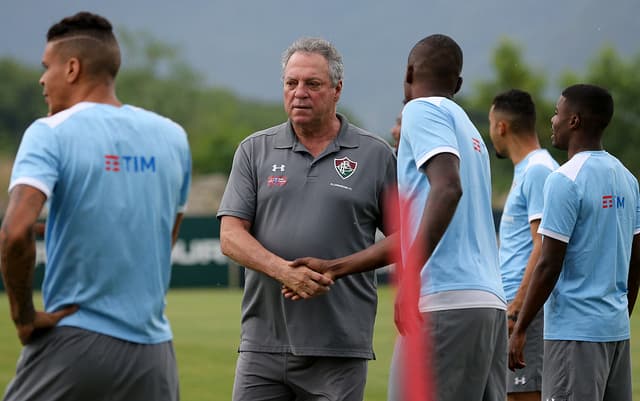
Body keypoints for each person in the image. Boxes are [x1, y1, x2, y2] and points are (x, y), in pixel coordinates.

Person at [0, 12, 191, 401]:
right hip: (154, 355)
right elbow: (164, 234)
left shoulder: (48, 132)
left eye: (46, 67)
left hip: (74, 343)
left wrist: (23, 317)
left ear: (71, 68)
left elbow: (14, 231)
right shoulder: (174, 137)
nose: (41, 79)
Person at [217, 37, 397, 401]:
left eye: (312, 84)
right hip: (262, 346)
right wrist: (284, 271)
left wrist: (335, 268)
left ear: (337, 90)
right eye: (291, 83)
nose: (300, 92)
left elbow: (405, 239)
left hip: (339, 349)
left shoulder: (375, 155)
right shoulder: (255, 150)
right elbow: (230, 235)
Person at [388, 34, 507, 401]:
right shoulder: (469, 129)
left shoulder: (420, 110)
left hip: (444, 299)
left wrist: (408, 282)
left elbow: (447, 189)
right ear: (458, 84)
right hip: (489, 304)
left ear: (408, 73)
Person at [508, 84, 640, 401]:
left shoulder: (564, 180)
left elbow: (549, 262)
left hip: (574, 334)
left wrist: (521, 326)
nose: (552, 120)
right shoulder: (628, 178)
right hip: (616, 332)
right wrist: (620, 314)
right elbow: (636, 261)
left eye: (557, 113)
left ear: (575, 121)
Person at [489, 89, 558, 401]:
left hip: (528, 308)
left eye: (490, 124)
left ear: (501, 126)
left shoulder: (538, 170)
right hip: (518, 306)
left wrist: (517, 310)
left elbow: (542, 245)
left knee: (525, 395)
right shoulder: (530, 169)